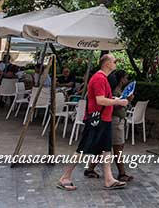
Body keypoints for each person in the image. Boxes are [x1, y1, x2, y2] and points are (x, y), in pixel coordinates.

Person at [57, 53, 130, 191]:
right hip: (97, 119)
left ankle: (108, 179)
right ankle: (64, 177)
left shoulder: (103, 79)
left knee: (106, 150)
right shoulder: (99, 79)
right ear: (107, 63)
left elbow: (103, 98)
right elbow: (100, 100)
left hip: (104, 119)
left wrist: (114, 98)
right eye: (114, 61)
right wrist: (118, 101)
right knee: (82, 149)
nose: (116, 64)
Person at [86, 70, 134, 182]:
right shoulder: (115, 91)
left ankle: (90, 169)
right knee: (117, 147)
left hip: (114, 120)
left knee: (104, 147)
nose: (126, 80)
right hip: (115, 121)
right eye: (125, 78)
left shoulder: (115, 90)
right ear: (121, 79)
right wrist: (125, 100)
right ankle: (121, 173)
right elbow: (112, 106)